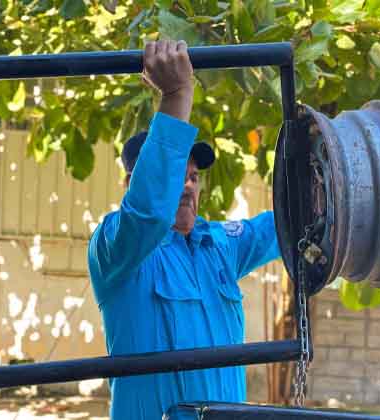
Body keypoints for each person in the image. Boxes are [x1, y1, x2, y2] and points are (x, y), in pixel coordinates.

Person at [87, 39, 281, 420]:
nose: (189, 184)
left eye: (193, 176)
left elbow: (287, 226)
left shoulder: (219, 243)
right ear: (132, 184)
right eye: (178, 173)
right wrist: (176, 95)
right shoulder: (115, 248)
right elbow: (147, 213)